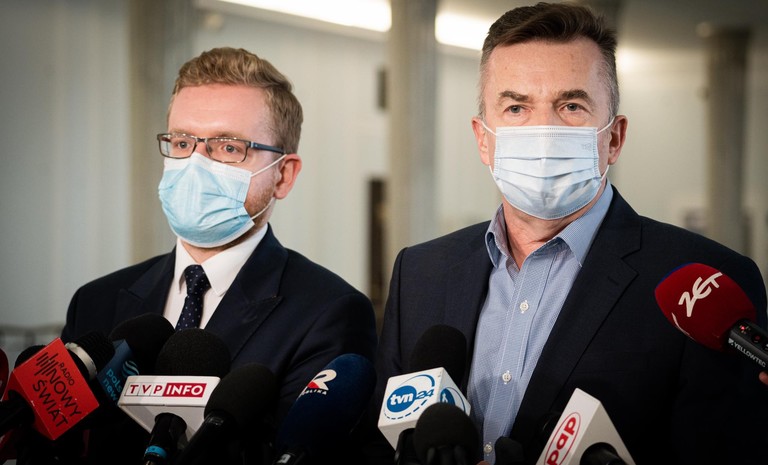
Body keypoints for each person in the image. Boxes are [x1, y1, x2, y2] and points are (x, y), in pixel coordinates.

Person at [359, 3, 768, 465]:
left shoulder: (703, 285)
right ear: (483, 138)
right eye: (516, 108)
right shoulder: (420, 272)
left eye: (571, 106)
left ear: (614, 138)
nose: (543, 132)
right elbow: (380, 446)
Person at [52, 47, 377, 464]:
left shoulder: (329, 312)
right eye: (182, 142)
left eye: (228, 147)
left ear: (283, 174)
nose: (195, 165)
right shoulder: (95, 301)